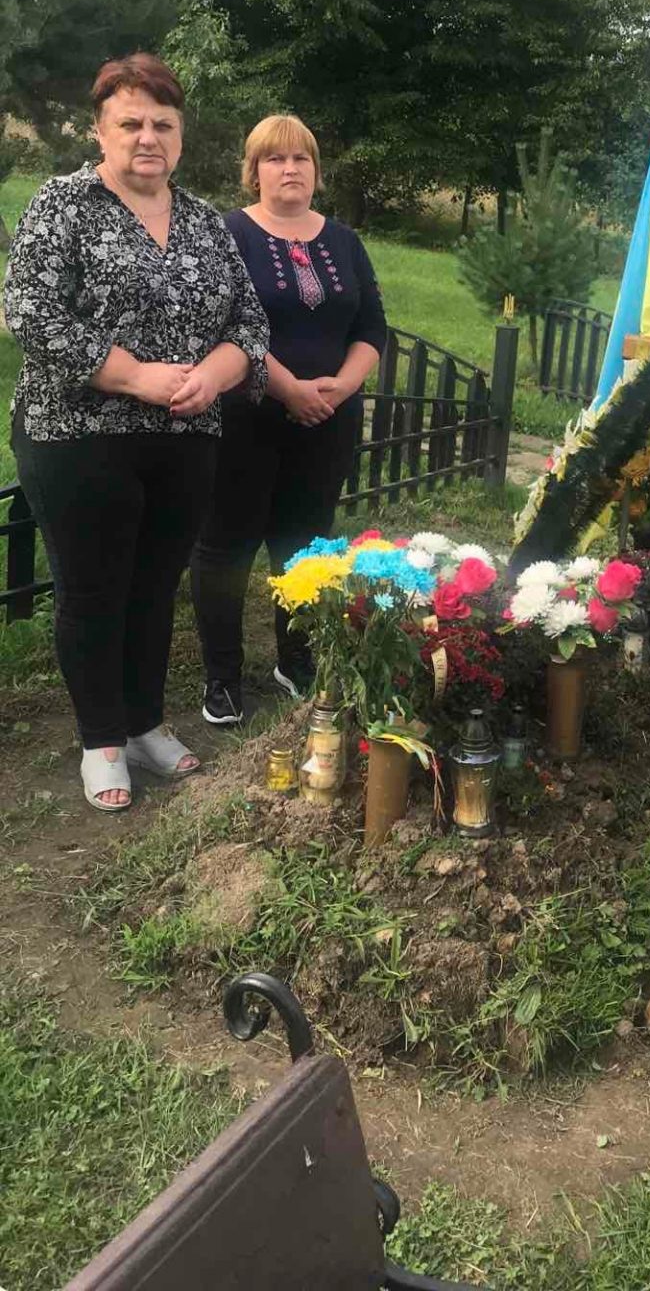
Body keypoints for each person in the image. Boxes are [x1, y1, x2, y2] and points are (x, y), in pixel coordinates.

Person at [3, 53, 269, 812]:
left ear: (180, 136)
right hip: (77, 433)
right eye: (131, 123)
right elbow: (30, 310)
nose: (147, 137)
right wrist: (135, 376)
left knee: (155, 587)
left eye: (163, 124)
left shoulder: (205, 222)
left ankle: (145, 724)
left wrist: (215, 373)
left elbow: (249, 322)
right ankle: (102, 742)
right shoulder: (63, 205)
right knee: (94, 590)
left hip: (186, 438)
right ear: (100, 131)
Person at [190, 115, 388, 723]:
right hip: (245, 418)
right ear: (254, 172)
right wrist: (290, 389)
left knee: (304, 544)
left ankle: (296, 660)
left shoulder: (344, 241)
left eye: (301, 158)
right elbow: (221, 325)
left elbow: (371, 327)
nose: (290, 169)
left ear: (316, 171)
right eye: (274, 159)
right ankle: (223, 678)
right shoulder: (228, 234)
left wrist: (342, 386)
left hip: (327, 421)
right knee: (226, 546)